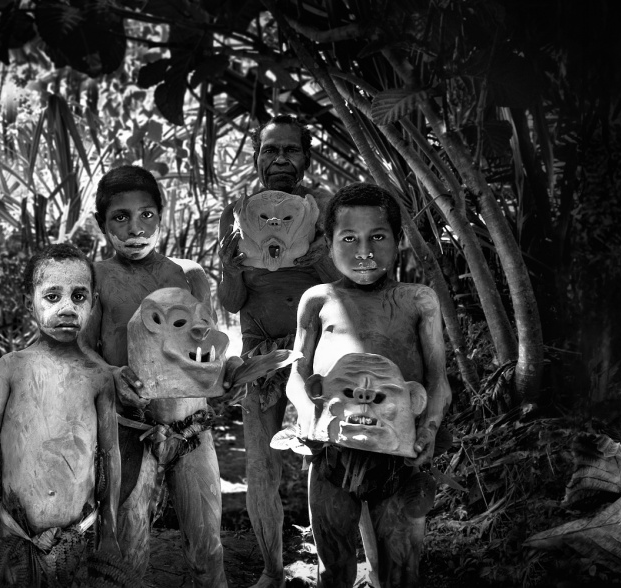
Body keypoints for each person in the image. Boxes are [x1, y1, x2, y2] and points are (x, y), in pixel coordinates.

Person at [286, 183, 451, 587]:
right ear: (328, 243)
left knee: (400, 569)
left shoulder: (419, 300)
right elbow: (297, 374)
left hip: (398, 457)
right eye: (349, 238)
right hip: (332, 454)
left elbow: (438, 381)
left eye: (377, 237)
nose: (364, 252)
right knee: (334, 565)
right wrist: (306, 413)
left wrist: (429, 428)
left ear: (399, 240)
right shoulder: (317, 300)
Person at [80, 165, 227, 587]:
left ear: (162, 216)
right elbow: (81, 349)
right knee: (127, 551)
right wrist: (111, 373)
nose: (135, 228)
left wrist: (227, 373)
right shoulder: (95, 277)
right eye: (120, 217)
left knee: (207, 547)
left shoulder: (189, 275)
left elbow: (208, 345)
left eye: (146, 215)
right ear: (101, 224)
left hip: (191, 426)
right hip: (127, 430)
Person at [217, 114, 338, 588]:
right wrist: (230, 268)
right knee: (260, 463)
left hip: (319, 349)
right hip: (260, 351)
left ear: (306, 158)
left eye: (291, 150)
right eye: (271, 150)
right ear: (256, 159)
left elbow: (347, 291)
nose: (281, 159)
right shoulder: (238, 214)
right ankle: (272, 570)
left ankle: (331, 569)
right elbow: (232, 303)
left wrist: (320, 258)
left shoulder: (326, 209)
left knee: (325, 457)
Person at [0, 244, 121, 587]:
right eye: (52, 296)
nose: (67, 308)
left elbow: (111, 455)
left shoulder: (99, 377)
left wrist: (110, 528)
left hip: (79, 536)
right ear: (29, 303)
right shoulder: (10, 368)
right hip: (15, 534)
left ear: (93, 303)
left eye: (78, 297)